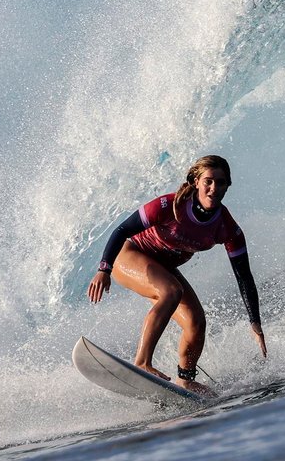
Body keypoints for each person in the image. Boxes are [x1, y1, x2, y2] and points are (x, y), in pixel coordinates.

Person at [87, 155, 266, 394]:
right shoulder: (168, 206)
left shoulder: (227, 228)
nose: (214, 188)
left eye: (221, 183)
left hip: (163, 270)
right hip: (129, 256)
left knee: (196, 322)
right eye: (208, 181)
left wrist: (255, 323)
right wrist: (104, 269)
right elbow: (122, 230)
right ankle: (142, 362)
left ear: (227, 186)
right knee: (171, 291)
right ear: (195, 182)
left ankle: (186, 379)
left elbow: (244, 276)